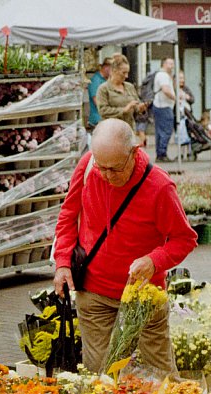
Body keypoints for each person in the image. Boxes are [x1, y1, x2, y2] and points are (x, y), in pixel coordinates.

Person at [52, 119, 197, 374]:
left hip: (143, 296)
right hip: (94, 291)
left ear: (135, 150)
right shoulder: (88, 166)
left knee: (160, 373)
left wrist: (154, 261)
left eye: (114, 169)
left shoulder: (160, 186)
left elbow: (184, 239)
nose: (106, 176)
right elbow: (68, 214)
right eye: (102, 168)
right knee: (100, 373)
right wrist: (63, 262)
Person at [94, 54, 143, 129]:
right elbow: (103, 111)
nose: (126, 76)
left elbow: (136, 105)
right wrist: (123, 110)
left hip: (128, 130)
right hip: (111, 130)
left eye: (127, 73)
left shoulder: (130, 87)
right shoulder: (103, 89)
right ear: (114, 71)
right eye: (123, 73)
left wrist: (140, 108)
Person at [151, 58, 176, 162]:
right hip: (163, 106)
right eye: (170, 63)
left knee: (160, 130)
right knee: (166, 130)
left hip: (161, 105)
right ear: (164, 64)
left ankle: (160, 153)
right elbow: (166, 90)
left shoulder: (162, 75)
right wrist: (175, 98)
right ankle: (162, 153)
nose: (172, 66)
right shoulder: (163, 75)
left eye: (173, 64)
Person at [88, 58, 111, 127]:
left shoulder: (106, 80)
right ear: (106, 67)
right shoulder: (96, 81)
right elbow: (97, 102)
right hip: (98, 118)